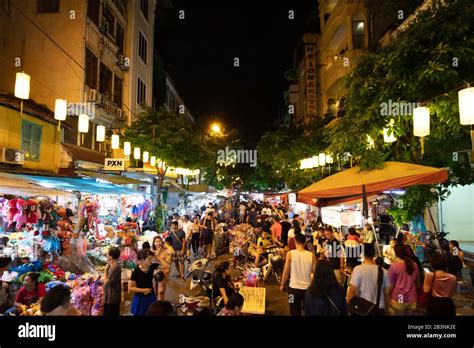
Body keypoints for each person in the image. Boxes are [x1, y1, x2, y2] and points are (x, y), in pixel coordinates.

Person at [347, 243, 391, 315]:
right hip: (379, 308)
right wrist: (387, 310)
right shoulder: (384, 272)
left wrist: (348, 306)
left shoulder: (358, 269)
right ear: (374, 254)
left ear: (362, 254)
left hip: (363, 308)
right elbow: (386, 294)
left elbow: (352, 290)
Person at [280, 233, 316, 316]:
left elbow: (286, 272)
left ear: (295, 241)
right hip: (308, 289)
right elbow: (314, 273)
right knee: (308, 311)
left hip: (292, 289)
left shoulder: (290, 254)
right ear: (305, 242)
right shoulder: (312, 255)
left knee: (293, 311)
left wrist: (282, 284)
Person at [387, 244, 419, 315]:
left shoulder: (394, 266)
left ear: (396, 253)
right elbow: (417, 283)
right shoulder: (414, 265)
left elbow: (390, 285)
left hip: (399, 297)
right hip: (412, 297)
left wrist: (387, 297)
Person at [129, 249, 159, 316]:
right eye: (149, 259)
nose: (151, 261)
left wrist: (156, 257)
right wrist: (143, 290)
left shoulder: (152, 267)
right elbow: (130, 288)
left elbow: (167, 266)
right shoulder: (136, 271)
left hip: (151, 297)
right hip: (140, 299)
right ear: (143, 259)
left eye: (152, 259)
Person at [152, 236, 172, 301]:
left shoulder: (166, 250)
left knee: (161, 291)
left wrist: (166, 247)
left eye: (160, 241)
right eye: (156, 241)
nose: (158, 243)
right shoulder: (152, 251)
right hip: (154, 273)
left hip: (163, 272)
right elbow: (151, 262)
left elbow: (168, 263)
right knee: (155, 290)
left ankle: (161, 304)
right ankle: (157, 302)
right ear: (154, 243)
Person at [103, 246, 122, 316]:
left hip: (112, 298)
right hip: (110, 297)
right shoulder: (112, 266)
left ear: (111, 256)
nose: (106, 255)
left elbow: (106, 282)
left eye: (107, 254)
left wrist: (105, 270)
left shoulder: (115, 268)